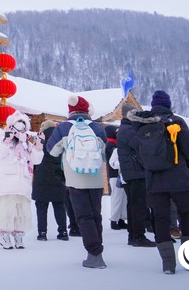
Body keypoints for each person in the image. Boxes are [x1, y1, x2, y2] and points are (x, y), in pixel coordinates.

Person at [129, 90, 189, 275]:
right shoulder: (176, 121)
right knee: (186, 215)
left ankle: (168, 264)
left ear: (153, 106)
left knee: (160, 219)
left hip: (154, 180)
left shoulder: (142, 124)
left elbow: (139, 154)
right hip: (179, 178)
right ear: (168, 105)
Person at [48, 96, 108, 268]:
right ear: (87, 110)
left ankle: (94, 255)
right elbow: (105, 150)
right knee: (96, 216)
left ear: (70, 110)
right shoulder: (97, 127)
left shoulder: (64, 127)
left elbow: (52, 150)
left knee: (83, 217)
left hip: (75, 178)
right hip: (96, 177)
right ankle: (97, 252)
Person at [0, 111, 44, 250]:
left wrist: (38, 147)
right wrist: (6, 140)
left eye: (23, 125)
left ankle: (18, 236)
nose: (20, 128)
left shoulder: (26, 143)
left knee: (21, 211)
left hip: (23, 183)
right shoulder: (3, 138)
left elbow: (36, 160)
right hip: (7, 183)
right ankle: (5, 236)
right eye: (18, 124)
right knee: (7, 210)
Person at [115, 103, 156, 248]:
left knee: (133, 205)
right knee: (138, 205)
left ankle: (133, 235)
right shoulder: (128, 129)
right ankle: (138, 235)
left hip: (131, 171)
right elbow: (140, 145)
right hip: (136, 170)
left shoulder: (125, 128)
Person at [31, 120, 68, 241]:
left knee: (41, 206)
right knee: (59, 205)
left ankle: (42, 233)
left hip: (41, 176)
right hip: (58, 175)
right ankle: (63, 232)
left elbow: (33, 157)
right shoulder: (59, 138)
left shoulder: (39, 139)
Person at [105, 124, 128, 231]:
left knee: (122, 198)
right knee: (117, 198)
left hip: (117, 175)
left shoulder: (111, 144)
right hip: (115, 175)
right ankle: (114, 220)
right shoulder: (110, 145)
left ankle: (121, 219)